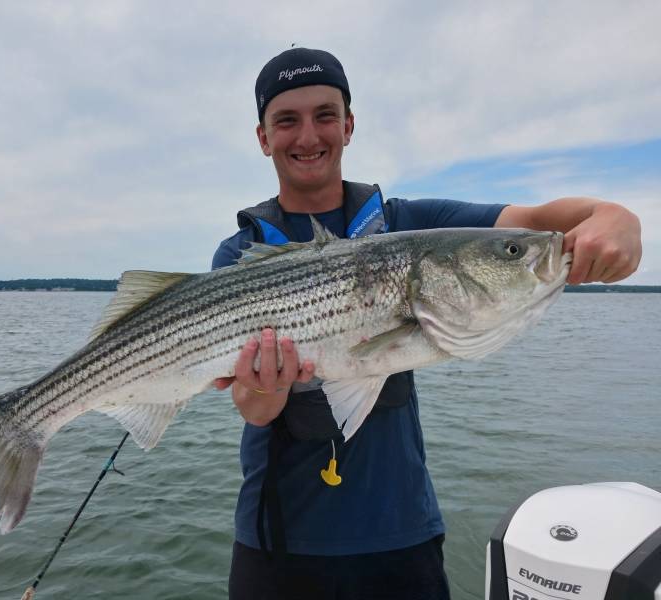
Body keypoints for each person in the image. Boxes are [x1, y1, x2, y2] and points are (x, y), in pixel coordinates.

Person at [211, 48, 642, 599]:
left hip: (401, 533)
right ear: (263, 137)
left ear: (348, 124)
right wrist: (264, 387)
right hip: (278, 541)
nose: (307, 136)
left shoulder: (412, 225)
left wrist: (616, 217)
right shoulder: (240, 254)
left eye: (324, 115)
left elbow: (539, 223)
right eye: (286, 120)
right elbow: (252, 408)